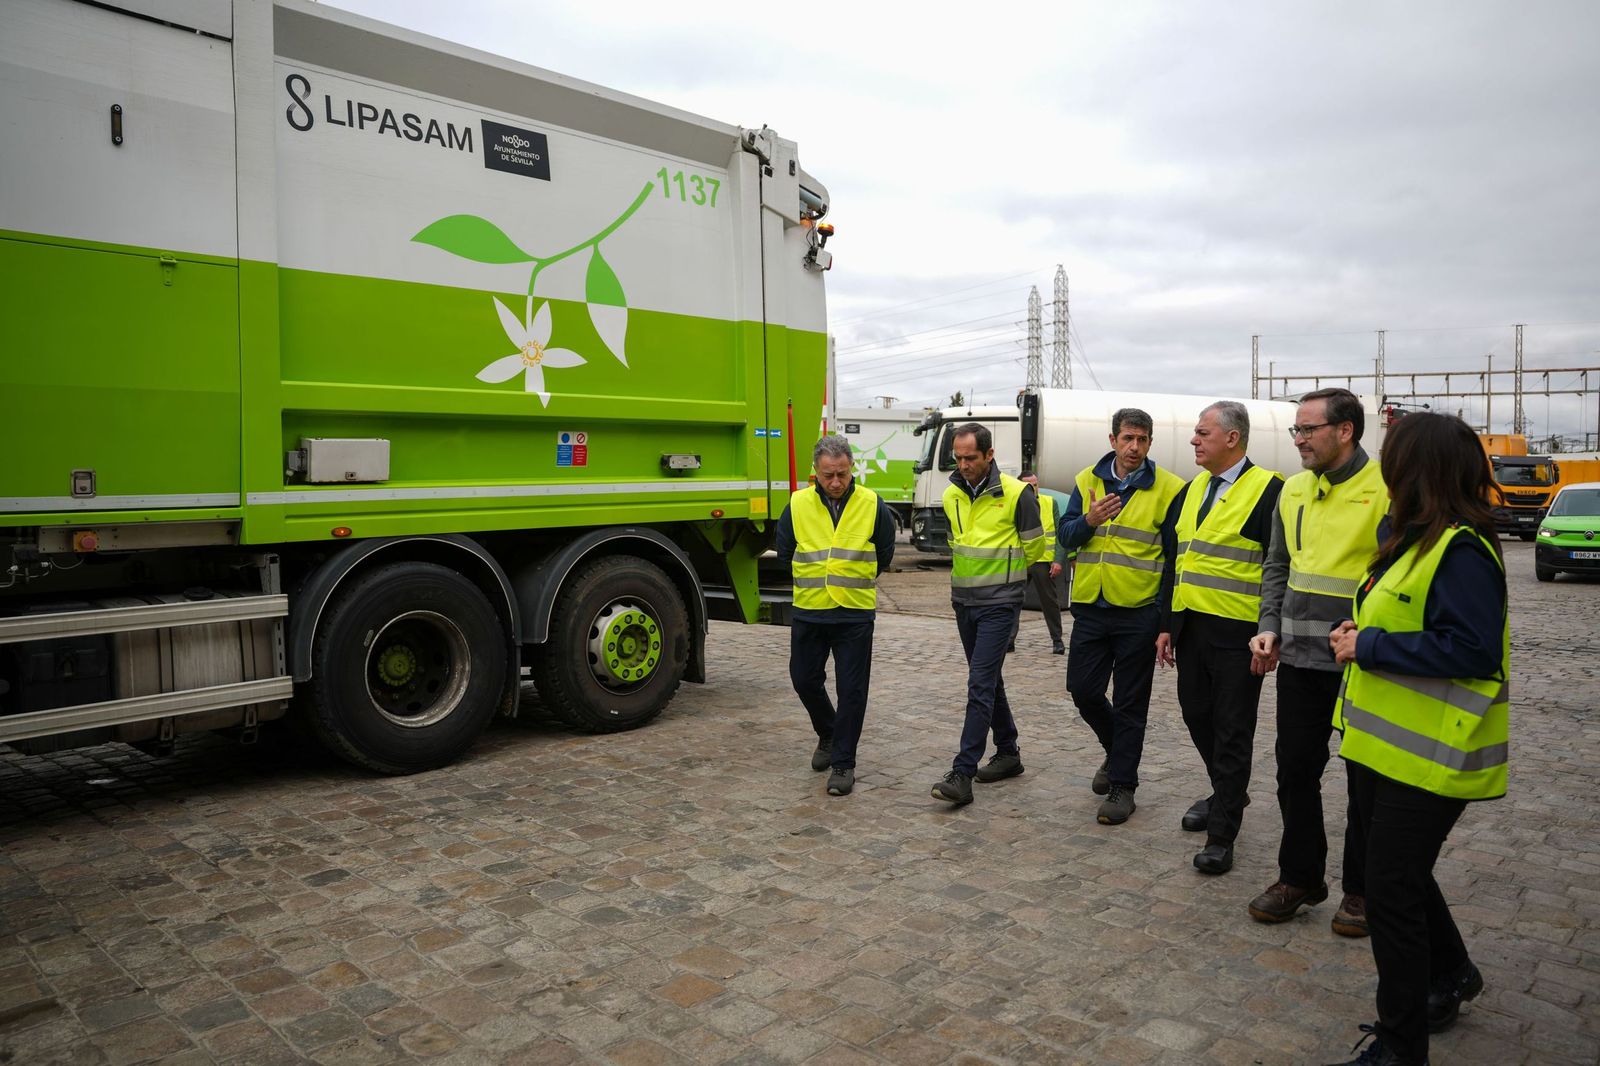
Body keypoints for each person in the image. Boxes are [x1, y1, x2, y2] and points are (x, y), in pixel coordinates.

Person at [1323, 412, 1508, 1066]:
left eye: (1394, 455)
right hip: (1382, 747)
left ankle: (1402, 1047)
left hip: (1430, 755)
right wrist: (1359, 632)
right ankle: (1452, 974)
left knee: (1390, 894)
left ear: (1417, 467)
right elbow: (1404, 618)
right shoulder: (1410, 540)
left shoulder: (1461, 550)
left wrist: (1368, 644)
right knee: (1397, 873)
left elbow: (1473, 648)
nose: (1384, 465)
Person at [1247, 389, 1386, 931]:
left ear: (1346, 430)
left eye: (1308, 429)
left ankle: (1362, 891)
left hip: (1361, 664)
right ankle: (1300, 877)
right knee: (1294, 773)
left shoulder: (1387, 491)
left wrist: (1373, 641)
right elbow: (1277, 567)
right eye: (1295, 431)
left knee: (1363, 782)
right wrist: (1268, 628)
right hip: (1301, 662)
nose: (1299, 439)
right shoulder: (1294, 491)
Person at [1156, 401, 1283, 874]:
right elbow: (1177, 561)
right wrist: (1166, 625)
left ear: (1232, 438)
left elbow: (1279, 568)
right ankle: (1228, 792)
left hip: (1240, 635)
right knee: (1196, 717)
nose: (1193, 440)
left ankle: (1222, 833)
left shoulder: (1271, 492)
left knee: (1232, 732)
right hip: (1191, 630)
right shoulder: (1191, 491)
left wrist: (1271, 633)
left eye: (1202, 433)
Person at [1057, 408, 1185, 825]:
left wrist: (1165, 621)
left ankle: (1122, 786)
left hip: (1139, 612)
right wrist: (1090, 521)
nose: (1134, 447)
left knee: (1132, 703)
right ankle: (1116, 753)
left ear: (1150, 443)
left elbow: (1172, 561)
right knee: (1082, 689)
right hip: (1092, 606)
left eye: (1143, 440)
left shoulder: (1169, 489)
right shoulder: (1086, 480)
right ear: (1112, 439)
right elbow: (1066, 535)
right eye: (1128, 438)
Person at [931, 423, 1048, 806]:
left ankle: (962, 772)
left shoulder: (1017, 495)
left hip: (999, 607)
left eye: (971, 458)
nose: (963, 465)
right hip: (963, 604)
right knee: (989, 680)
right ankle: (1009, 752)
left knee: (979, 685)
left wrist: (1011, 595)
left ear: (990, 455)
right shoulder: (951, 496)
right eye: (959, 458)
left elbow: (1035, 551)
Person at [774, 435, 897, 797]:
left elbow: (885, 553)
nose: (836, 482)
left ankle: (843, 763)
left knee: (852, 691)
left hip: (854, 614)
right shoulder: (796, 505)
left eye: (842, 473)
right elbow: (784, 552)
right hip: (810, 611)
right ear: (816, 472)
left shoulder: (872, 504)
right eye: (828, 475)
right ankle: (828, 732)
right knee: (803, 680)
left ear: (851, 468)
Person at [1010, 472, 1068, 655]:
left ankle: (1057, 640)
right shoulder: (1013, 503)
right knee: (1012, 601)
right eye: (1029, 486)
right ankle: (1008, 640)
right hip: (1021, 560)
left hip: (1043, 561)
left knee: (1050, 602)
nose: (1034, 488)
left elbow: (1061, 534)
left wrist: (1058, 560)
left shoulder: (1050, 503)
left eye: (1036, 484)